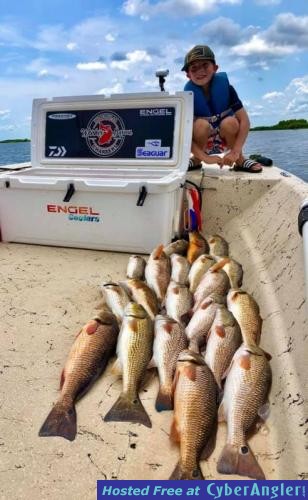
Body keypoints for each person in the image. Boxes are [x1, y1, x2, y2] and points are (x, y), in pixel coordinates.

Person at [182, 45, 262, 173]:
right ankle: (197, 159)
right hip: (203, 141)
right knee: (200, 125)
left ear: (215, 68)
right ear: (188, 75)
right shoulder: (187, 97)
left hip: (227, 137)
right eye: (194, 68)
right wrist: (205, 158)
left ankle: (239, 159)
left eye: (205, 65)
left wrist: (235, 150)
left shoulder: (228, 89)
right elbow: (183, 133)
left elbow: (245, 121)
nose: (200, 71)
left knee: (230, 122)